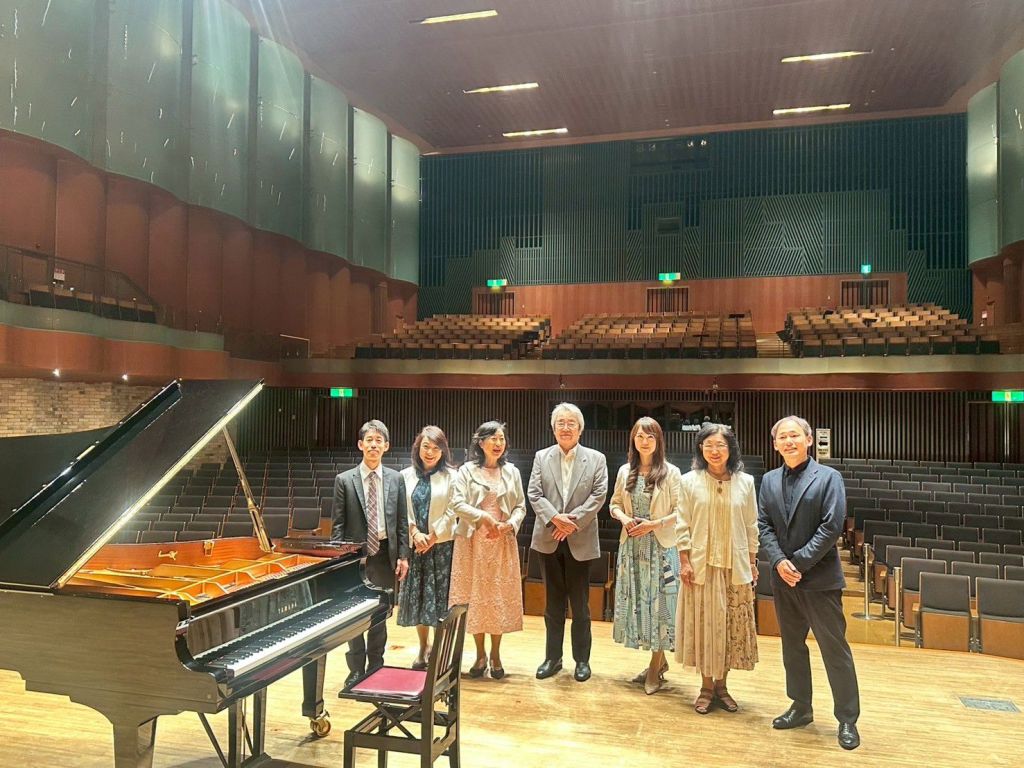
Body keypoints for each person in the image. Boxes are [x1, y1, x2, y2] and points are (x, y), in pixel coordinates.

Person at [758, 415, 861, 750]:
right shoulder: (769, 480)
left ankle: (847, 718)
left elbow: (832, 526)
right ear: (775, 444)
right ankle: (801, 706)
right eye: (782, 437)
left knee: (834, 649)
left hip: (819, 579)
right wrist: (779, 562)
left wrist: (797, 563)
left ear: (808, 440)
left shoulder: (829, 477)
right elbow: (764, 525)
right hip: (783, 580)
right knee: (792, 647)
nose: (788, 442)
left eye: (794, 436)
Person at [676, 423, 759, 715]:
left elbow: (751, 525)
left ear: (730, 449)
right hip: (701, 567)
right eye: (708, 445)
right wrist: (684, 561)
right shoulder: (688, 481)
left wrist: (752, 562)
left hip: (734, 567)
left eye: (720, 445)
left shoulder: (746, 482)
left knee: (728, 628)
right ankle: (706, 687)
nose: (714, 451)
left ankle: (723, 686)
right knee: (705, 627)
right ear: (701, 449)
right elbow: (682, 524)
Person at [528, 403, 608, 683]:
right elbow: (534, 493)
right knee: (552, 605)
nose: (565, 427)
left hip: (580, 537)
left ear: (580, 428)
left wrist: (570, 522)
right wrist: (555, 519)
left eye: (571, 423)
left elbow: (598, 495)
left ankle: (582, 660)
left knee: (580, 605)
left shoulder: (596, 458)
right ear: (553, 428)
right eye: (560, 423)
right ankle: (553, 658)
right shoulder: (541, 457)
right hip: (549, 537)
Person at [609, 417, 690, 695]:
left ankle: (655, 669)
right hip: (632, 546)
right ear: (633, 440)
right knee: (641, 607)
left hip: (661, 548)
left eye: (650, 437)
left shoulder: (671, 472)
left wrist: (653, 524)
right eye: (640, 436)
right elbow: (614, 504)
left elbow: (682, 512)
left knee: (660, 608)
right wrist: (624, 519)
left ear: (658, 441)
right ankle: (659, 661)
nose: (644, 442)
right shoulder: (625, 471)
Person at [332, 419, 410, 689]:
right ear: (360, 445)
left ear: (386, 446)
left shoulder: (396, 479)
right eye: (369, 440)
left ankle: (376, 666)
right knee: (354, 615)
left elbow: (402, 522)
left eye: (379, 441)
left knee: (380, 613)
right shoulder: (344, 480)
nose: (374, 445)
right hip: (356, 557)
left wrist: (404, 556)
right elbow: (338, 525)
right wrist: (338, 561)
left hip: (384, 556)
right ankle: (355, 668)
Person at [448, 421, 526, 678]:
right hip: (472, 542)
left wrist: (509, 525)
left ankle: (496, 653)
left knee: (497, 598)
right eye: (493, 439)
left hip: (501, 541)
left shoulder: (512, 472)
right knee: (475, 599)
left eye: (501, 438)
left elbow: (520, 506)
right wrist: (482, 517)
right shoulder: (466, 471)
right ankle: (480, 653)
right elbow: (456, 503)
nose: (498, 443)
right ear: (480, 443)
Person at [397, 426, 459, 669]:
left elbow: (453, 509)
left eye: (435, 448)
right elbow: (402, 510)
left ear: (443, 451)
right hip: (416, 547)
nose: (430, 452)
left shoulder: (452, 476)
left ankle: (441, 648)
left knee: (441, 599)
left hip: (442, 547)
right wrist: (415, 533)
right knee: (421, 598)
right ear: (418, 448)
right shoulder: (404, 476)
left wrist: (433, 536)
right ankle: (423, 646)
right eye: (426, 446)